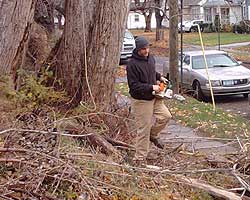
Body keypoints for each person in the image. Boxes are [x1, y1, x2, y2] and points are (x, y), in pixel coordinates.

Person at [126, 36, 172, 163]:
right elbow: (134, 86)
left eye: (147, 48)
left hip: (155, 97)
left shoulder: (150, 58)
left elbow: (152, 72)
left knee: (166, 116)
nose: (146, 51)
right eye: (143, 49)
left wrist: (160, 77)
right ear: (138, 49)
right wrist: (152, 86)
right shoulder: (132, 65)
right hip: (141, 100)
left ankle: (153, 135)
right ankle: (139, 159)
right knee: (143, 130)